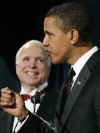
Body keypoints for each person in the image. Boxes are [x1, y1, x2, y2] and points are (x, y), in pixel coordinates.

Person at [42, 2, 100, 133]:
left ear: (73, 36)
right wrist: (24, 115)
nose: (44, 42)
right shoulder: (72, 77)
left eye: (49, 34)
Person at [0, 40, 59, 133]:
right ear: (17, 67)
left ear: (49, 67)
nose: (32, 65)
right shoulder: (3, 110)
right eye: (26, 59)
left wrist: (24, 116)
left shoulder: (62, 102)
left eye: (40, 60)